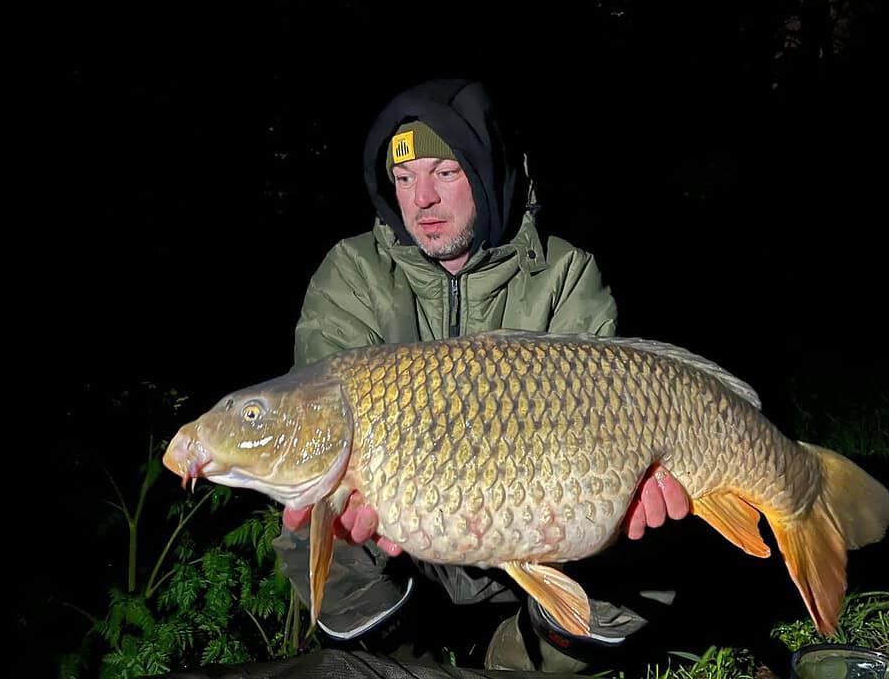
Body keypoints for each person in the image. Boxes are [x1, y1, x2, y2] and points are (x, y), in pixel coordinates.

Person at [274, 78, 689, 672]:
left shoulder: (565, 275)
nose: (421, 199)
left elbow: (611, 423)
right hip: (408, 534)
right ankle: (410, 659)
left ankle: (513, 661)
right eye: (405, 177)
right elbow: (318, 412)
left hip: (538, 520)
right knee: (308, 519)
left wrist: (627, 494)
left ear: (490, 173)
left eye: (445, 172)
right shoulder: (352, 276)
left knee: (643, 548)